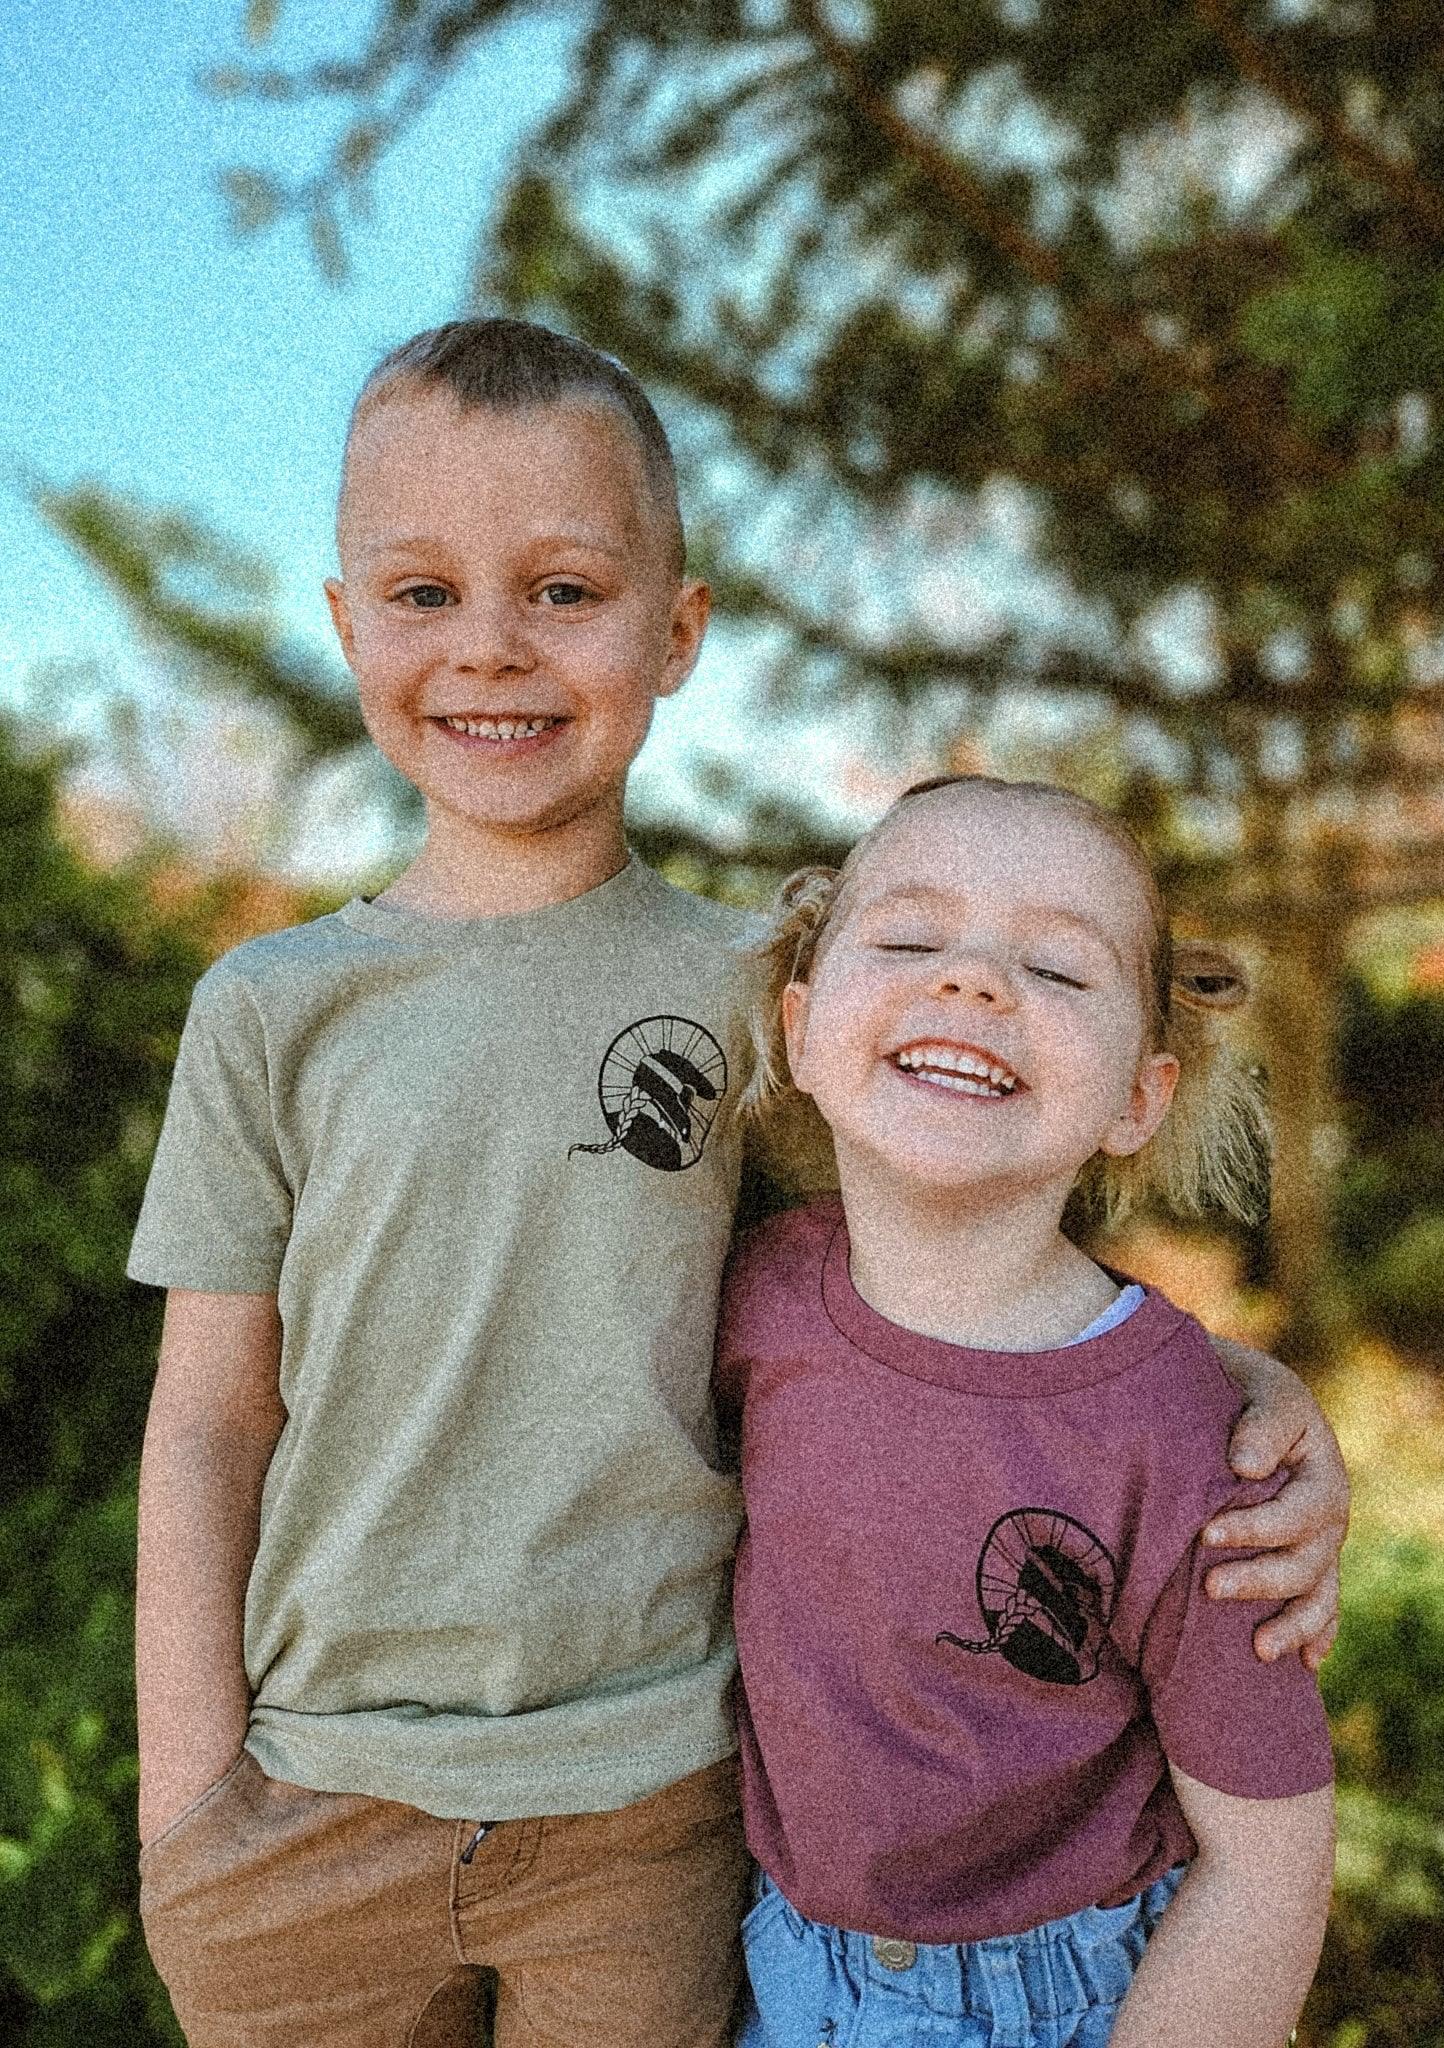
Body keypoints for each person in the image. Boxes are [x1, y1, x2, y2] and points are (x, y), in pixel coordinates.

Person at [129, 321, 1345, 2048]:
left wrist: (1244, 1398)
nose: (490, 644)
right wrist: (189, 1817)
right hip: (309, 1803)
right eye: (420, 594)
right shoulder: (264, 1009)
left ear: (675, 629)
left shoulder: (771, 996)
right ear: (344, 626)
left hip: (655, 1810)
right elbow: (206, 1423)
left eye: (561, 589)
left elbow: (950, 1267)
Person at [718, 775, 1337, 2048]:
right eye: (904, 939)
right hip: (771, 1958)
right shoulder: (752, 1291)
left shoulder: (1188, 1441)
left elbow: (1268, 1870)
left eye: (1057, 969)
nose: (974, 984)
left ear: (1136, 1098)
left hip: (1058, 1999)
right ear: (797, 1024)